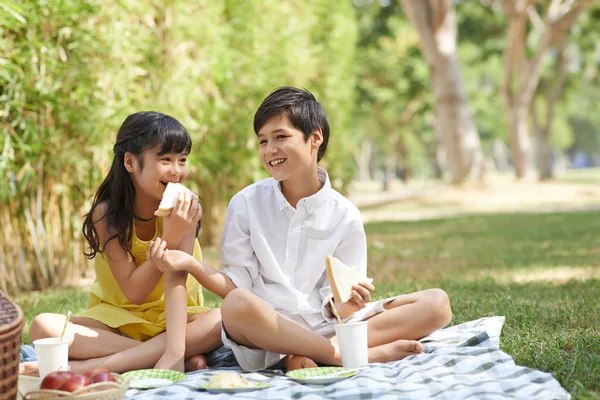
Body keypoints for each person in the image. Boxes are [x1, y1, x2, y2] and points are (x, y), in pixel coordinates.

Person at [147, 87, 452, 372]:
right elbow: (236, 283)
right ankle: (345, 355)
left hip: (326, 327)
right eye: (263, 141)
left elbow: (338, 303)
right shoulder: (246, 203)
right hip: (264, 330)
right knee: (236, 305)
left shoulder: (345, 214)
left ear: (314, 138)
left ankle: (310, 354)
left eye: (281, 137)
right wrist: (192, 265)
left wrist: (345, 305)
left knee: (436, 303)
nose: (270, 150)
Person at [21, 111, 222, 375]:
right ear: (130, 162)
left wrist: (176, 347)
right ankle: (158, 354)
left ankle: (97, 365)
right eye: (165, 159)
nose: (177, 170)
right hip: (117, 321)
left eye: (182, 160)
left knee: (221, 319)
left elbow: (177, 282)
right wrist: (170, 237)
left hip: (175, 321)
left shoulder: (185, 209)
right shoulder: (107, 214)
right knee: (43, 326)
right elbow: (134, 293)